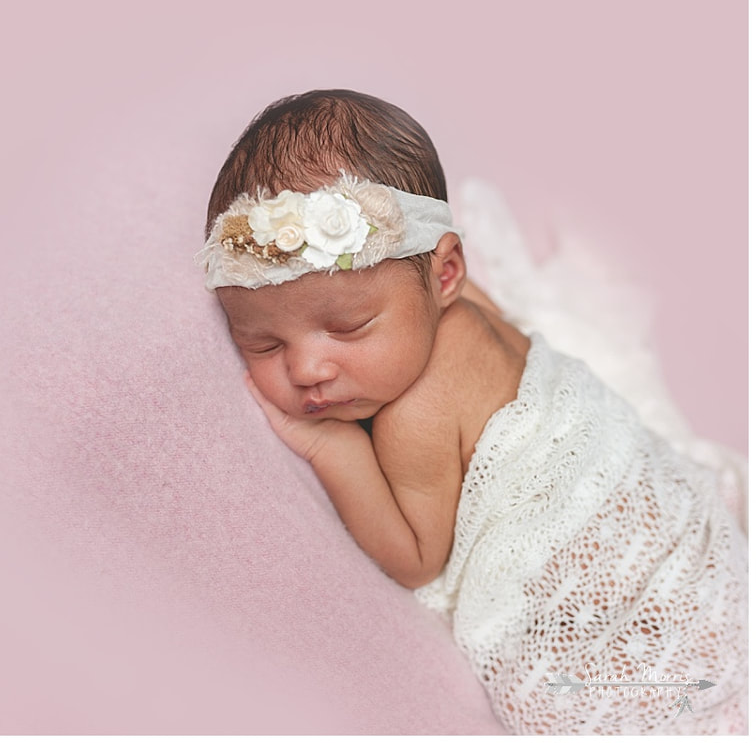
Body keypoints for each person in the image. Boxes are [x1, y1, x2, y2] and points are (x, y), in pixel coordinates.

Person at [196, 89, 747, 734]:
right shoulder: (464, 304)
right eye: (263, 343)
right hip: (662, 509)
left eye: (348, 328)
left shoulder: (413, 420)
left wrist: (331, 448)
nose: (307, 369)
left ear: (445, 274)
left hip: (606, 570)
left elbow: (416, 557)